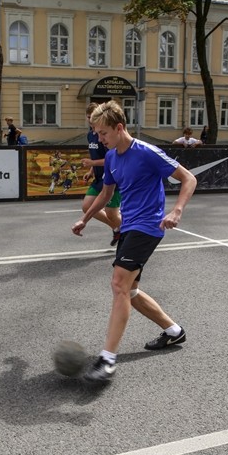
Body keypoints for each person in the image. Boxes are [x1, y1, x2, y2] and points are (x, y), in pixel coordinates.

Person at [71, 100, 197, 382]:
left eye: (102, 133)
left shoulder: (147, 152)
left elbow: (188, 179)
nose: (99, 139)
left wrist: (176, 211)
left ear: (119, 127)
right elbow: (105, 194)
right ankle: (174, 331)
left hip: (148, 226)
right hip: (129, 225)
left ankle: (107, 360)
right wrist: (86, 219)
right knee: (131, 292)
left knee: (118, 284)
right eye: (96, 134)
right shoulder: (114, 156)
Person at [80, 103, 122, 246]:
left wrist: (92, 164)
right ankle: (117, 229)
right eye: (88, 117)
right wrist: (90, 171)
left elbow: (110, 159)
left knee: (112, 214)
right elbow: (94, 156)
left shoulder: (106, 135)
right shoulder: (90, 135)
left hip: (111, 177)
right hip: (98, 178)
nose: (90, 120)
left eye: (92, 117)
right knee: (86, 206)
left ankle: (129, 232)